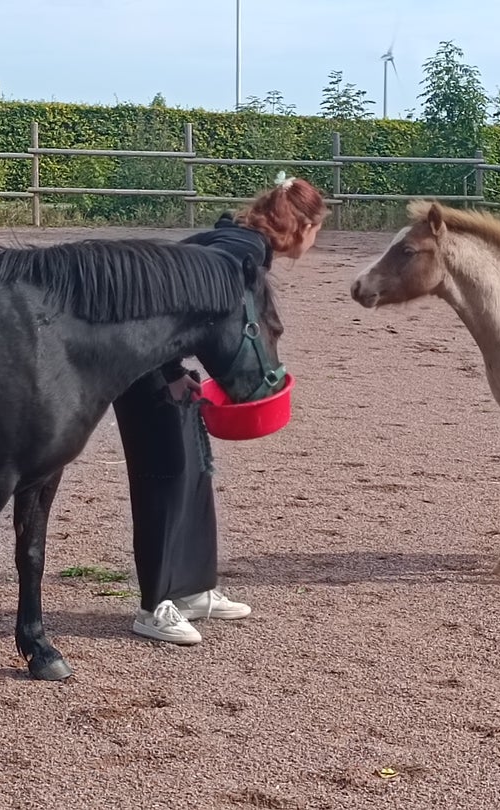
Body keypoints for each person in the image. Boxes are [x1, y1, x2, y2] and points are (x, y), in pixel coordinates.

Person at [114, 173, 328, 645]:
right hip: (140, 367)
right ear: (303, 227)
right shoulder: (239, 253)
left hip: (163, 365)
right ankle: (154, 607)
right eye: (318, 230)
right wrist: (169, 372)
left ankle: (191, 590)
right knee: (164, 478)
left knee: (194, 472)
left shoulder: (237, 242)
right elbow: (158, 308)